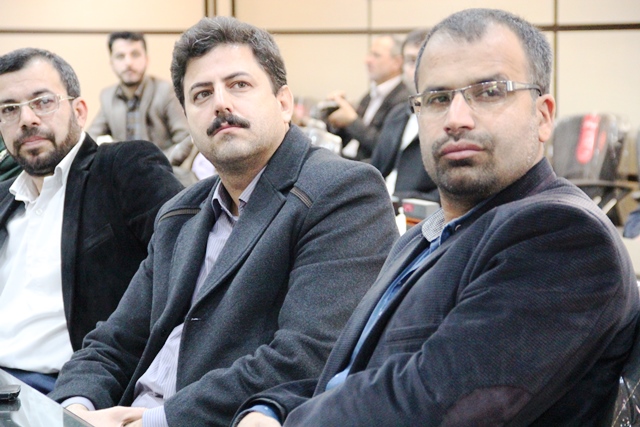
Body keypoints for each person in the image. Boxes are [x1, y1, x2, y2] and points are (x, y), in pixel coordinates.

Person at [235, 8, 640, 427]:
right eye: (437, 98)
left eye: (490, 91)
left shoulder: (562, 236)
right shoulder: (425, 235)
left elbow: (429, 403)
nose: (456, 119)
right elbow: (352, 371)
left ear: (543, 116)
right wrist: (270, 407)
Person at [49, 16, 399, 427]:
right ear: (187, 118)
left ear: (283, 102)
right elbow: (114, 341)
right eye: (201, 94)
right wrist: (74, 409)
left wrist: (155, 420)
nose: (220, 104)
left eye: (239, 85)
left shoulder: (342, 191)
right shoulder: (180, 213)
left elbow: (308, 356)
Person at [0, 48, 184, 393]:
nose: (26, 119)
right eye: (9, 109)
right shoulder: (4, 199)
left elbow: (191, 261)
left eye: (43, 102)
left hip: (66, 387)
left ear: (80, 111)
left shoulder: (122, 168)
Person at [87, 31, 193, 165]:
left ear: (146, 59)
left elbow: (186, 139)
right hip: (123, 173)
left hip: (162, 171)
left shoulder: (165, 91)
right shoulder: (108, 97)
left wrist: (156, 164)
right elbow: (89, 140)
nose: (128, 62)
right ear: (112, 63)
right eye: (120, 56)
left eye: (135, 54)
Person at [370, 28, 438, 203]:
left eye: (423, 60)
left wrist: (401, 201)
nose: (416, 70)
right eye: (411, 61)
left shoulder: (450, 119)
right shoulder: (398, 115)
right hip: (380, 207)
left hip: (420, 214)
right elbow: (375, 169)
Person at [326, 34, 410, 160]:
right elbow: (348, 138)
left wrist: (352, 121)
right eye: (369, 54)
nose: (367, 60)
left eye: (376, 55)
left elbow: (386, 150)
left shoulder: (403, 99)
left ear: (397, 62)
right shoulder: (370, 95)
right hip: (347, 159)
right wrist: (336, 114)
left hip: (366, 166)